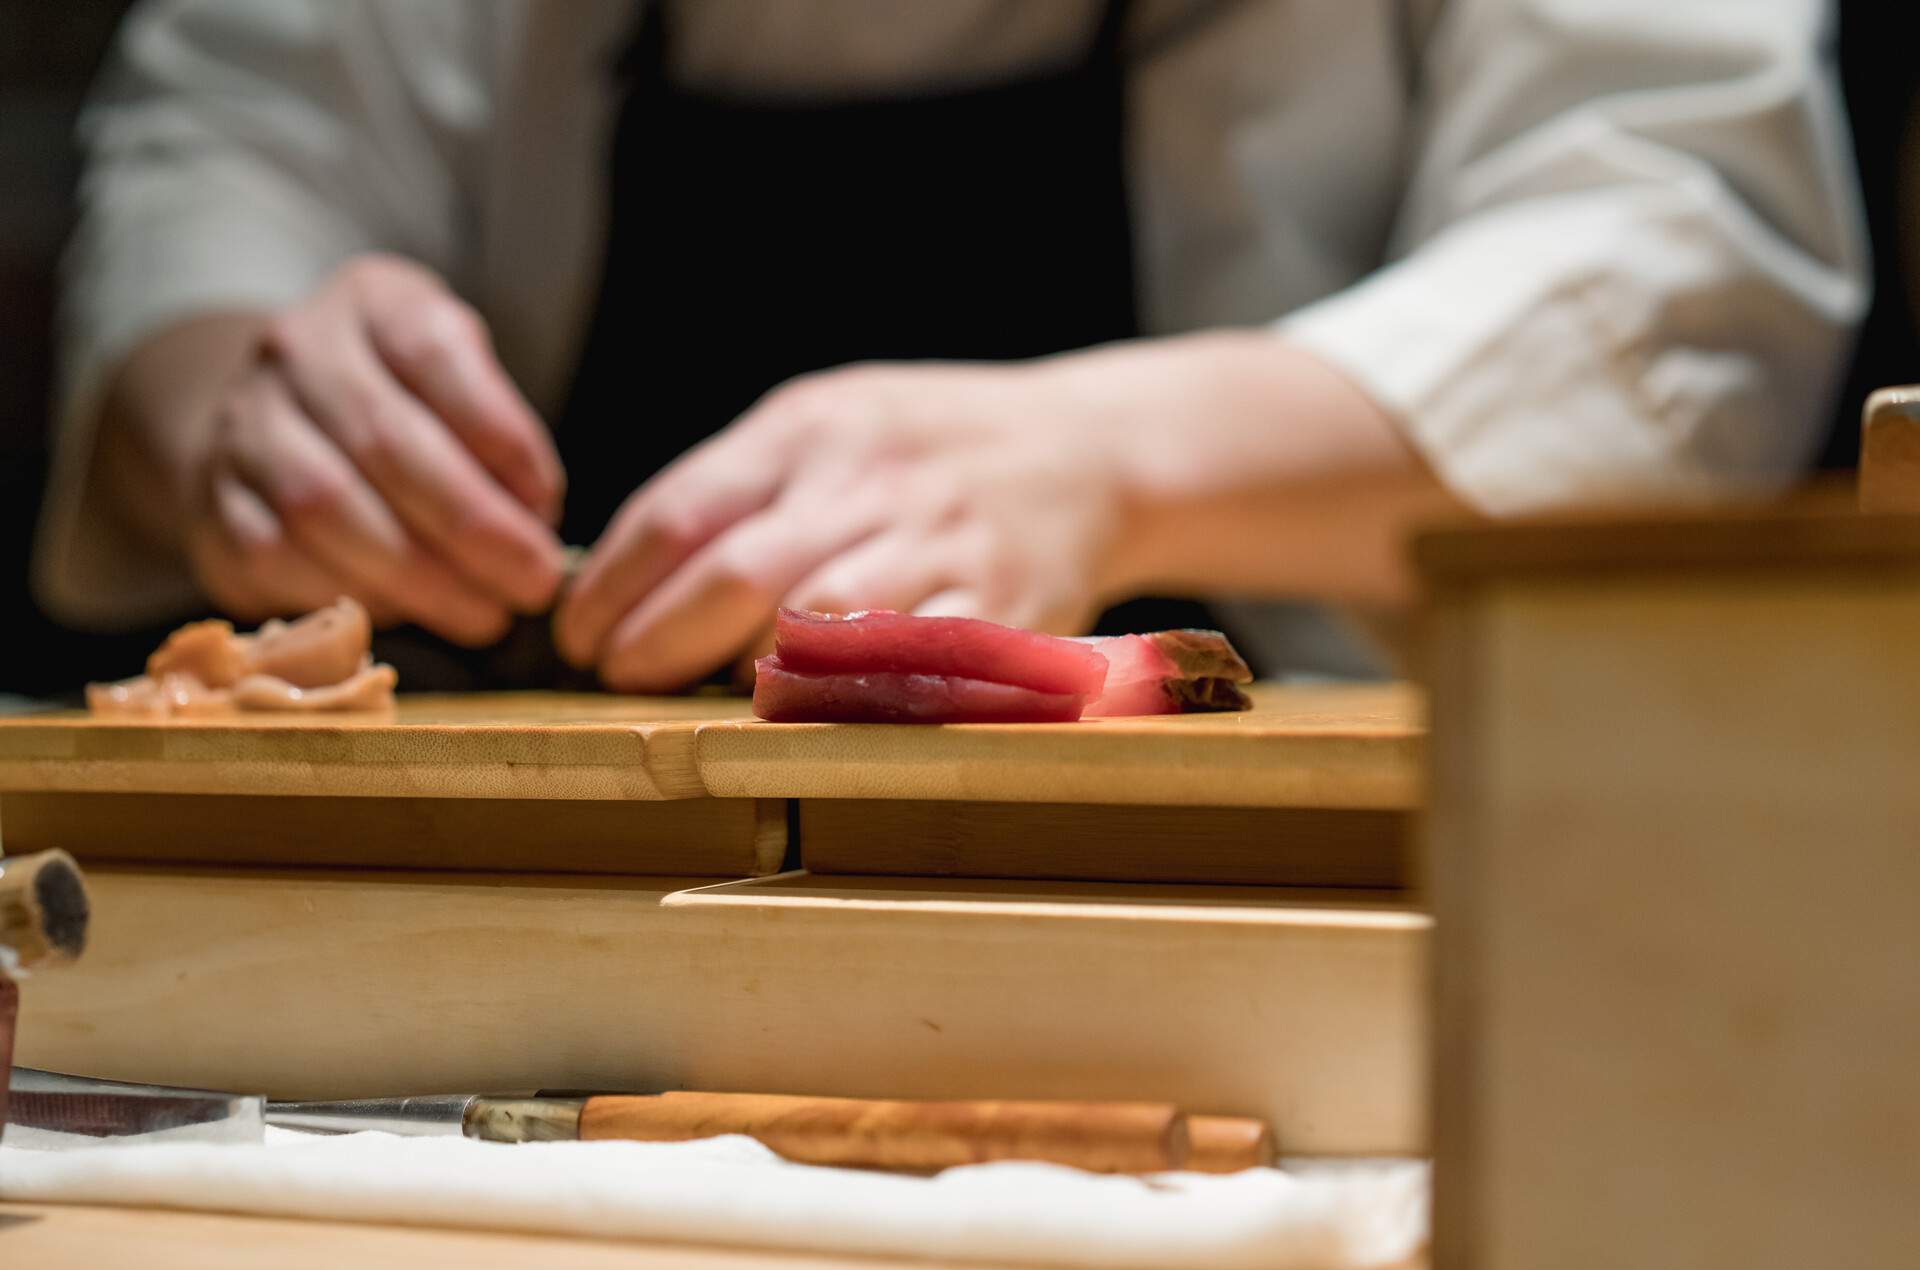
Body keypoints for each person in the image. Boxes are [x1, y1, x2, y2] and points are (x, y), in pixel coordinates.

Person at [38, 0, 1865, 691]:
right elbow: (230, 146)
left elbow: (1676, 240)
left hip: (1288, 890)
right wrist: (243, 410)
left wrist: (1113, 459)